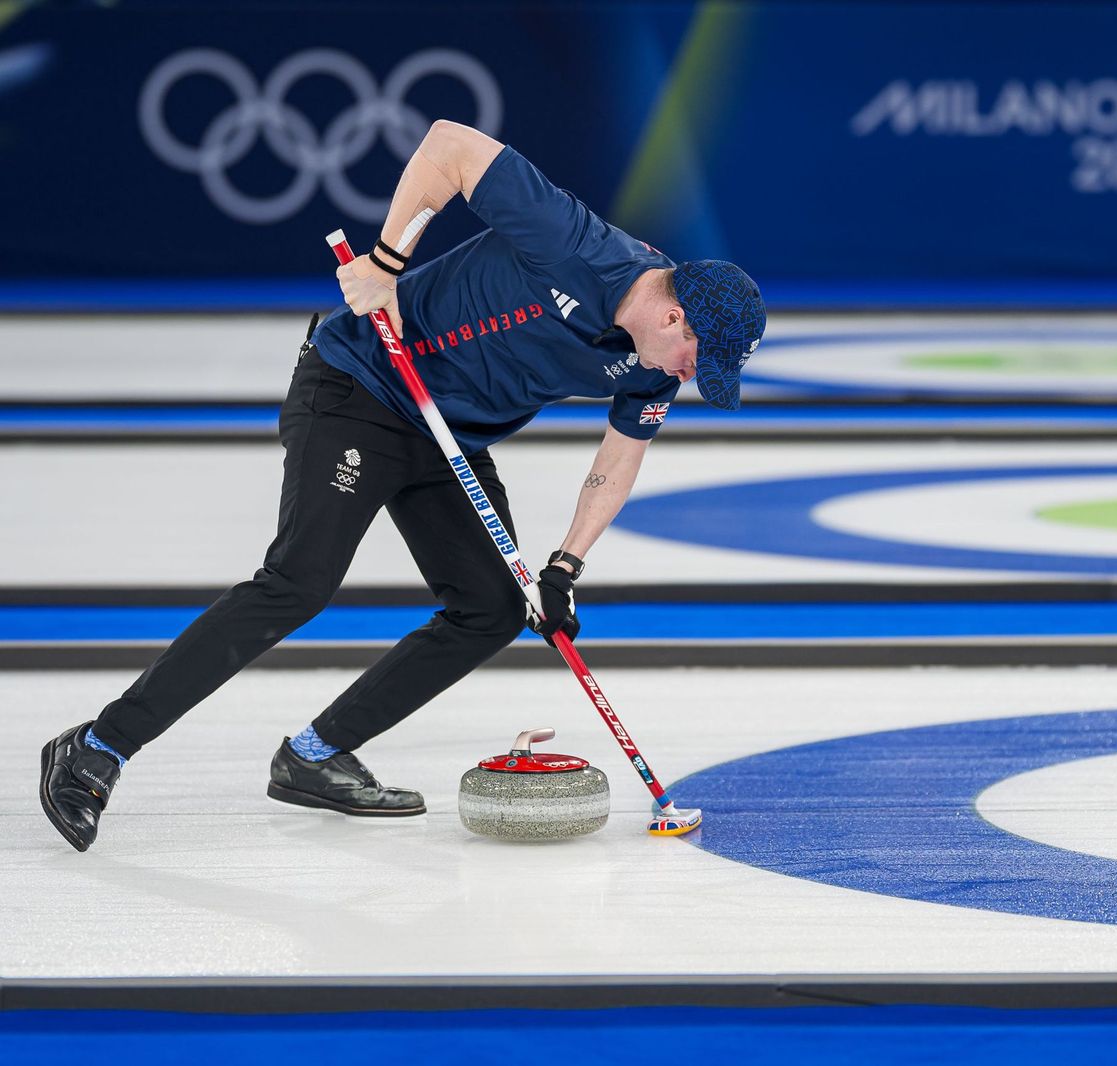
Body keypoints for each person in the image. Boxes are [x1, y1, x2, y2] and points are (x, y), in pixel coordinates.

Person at [39, 120, 766, 852]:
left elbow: (619, 458)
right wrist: (386, 263)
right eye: (696, 359)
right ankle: (99, 746)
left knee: (492, 607)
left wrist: (564, 567)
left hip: (450, 439)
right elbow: (450, 145)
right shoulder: (576, 243)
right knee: (299, 581)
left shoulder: (650, 365)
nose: (689, 376)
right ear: (673, 315)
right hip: (361, 387)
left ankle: (315, 755)